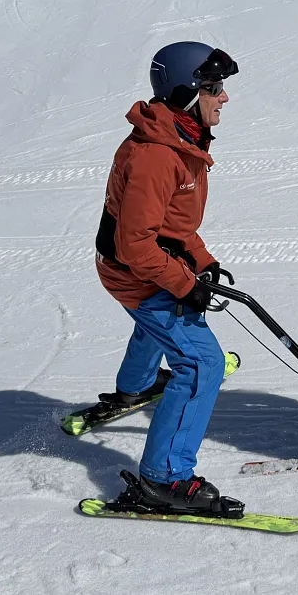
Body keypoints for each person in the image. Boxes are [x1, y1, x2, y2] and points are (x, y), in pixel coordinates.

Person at [93, 41, 241, 514]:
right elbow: (136, 246)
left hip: (142, 263)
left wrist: (203, 262)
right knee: (201, 364)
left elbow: (175, 227)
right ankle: (164, 479)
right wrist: (185, 285)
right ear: (185, 93)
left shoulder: (181, 139)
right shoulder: (157, 156)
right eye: (214, 87)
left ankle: (134, 386)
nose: (224, 97)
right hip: (133, 272)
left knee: (160, 327)